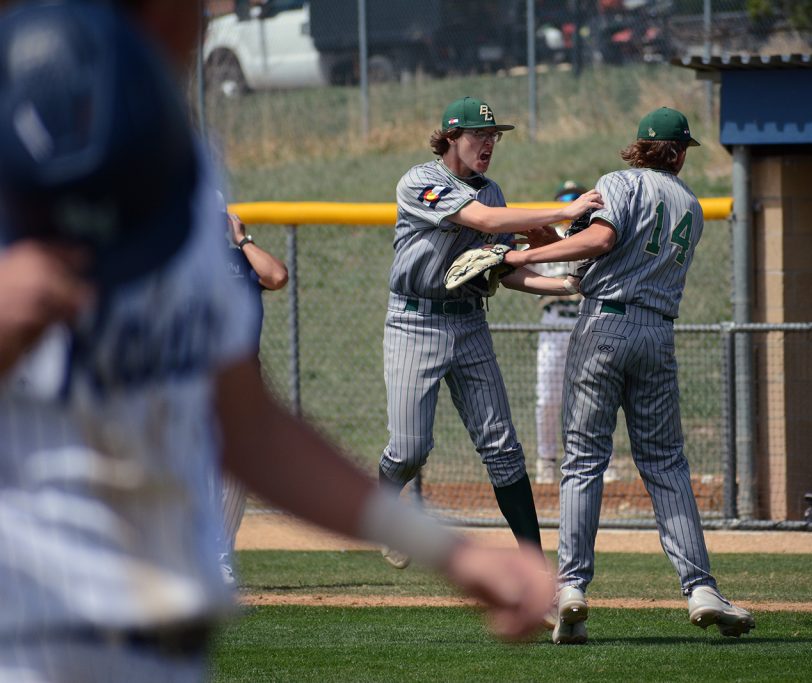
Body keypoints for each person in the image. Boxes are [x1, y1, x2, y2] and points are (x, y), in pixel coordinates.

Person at [0, 4, 553, 682]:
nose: (184, 28)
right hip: (25, 640)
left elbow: (250, 426)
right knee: (408, 444)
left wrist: (452, 553)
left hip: (163, 649)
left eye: (189, 11)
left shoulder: (193, 183)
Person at [502, 107, 755, 644]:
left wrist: (526, 253)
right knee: (665, 463)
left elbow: (598, 243)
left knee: (584, 460)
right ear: (680, 152)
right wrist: (546, 247)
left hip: (605, 326)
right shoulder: (691, 204)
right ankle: (701, 588)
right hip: (657, 332)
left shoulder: (618, 181)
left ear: (638, 146)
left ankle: (571, 587)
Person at [377, 96, 603, 569]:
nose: (488, 144)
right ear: (451, 138)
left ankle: (536, 573)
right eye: (479, 136)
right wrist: (563, 212)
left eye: (494, 137)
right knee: (409, 449)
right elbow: (481, 220)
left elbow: (501, 268)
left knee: (503, 448)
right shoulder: (419, 181)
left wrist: (563, 286)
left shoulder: (493, 190)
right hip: (414, 322)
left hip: (469, 321)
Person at [534, 181, 622, 486]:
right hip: (555, 323)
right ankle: (546, 459)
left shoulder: (596, 237)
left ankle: (600, 459)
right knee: (547, 397)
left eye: (575, 200)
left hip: (587, 322)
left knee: (595, 394)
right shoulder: (549, 238)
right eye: (565, 201)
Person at [218, 209, 289, 585]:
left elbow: (277, 276)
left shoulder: (238, 261)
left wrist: (242, 240)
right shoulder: (177, 259)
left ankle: (219, 558)